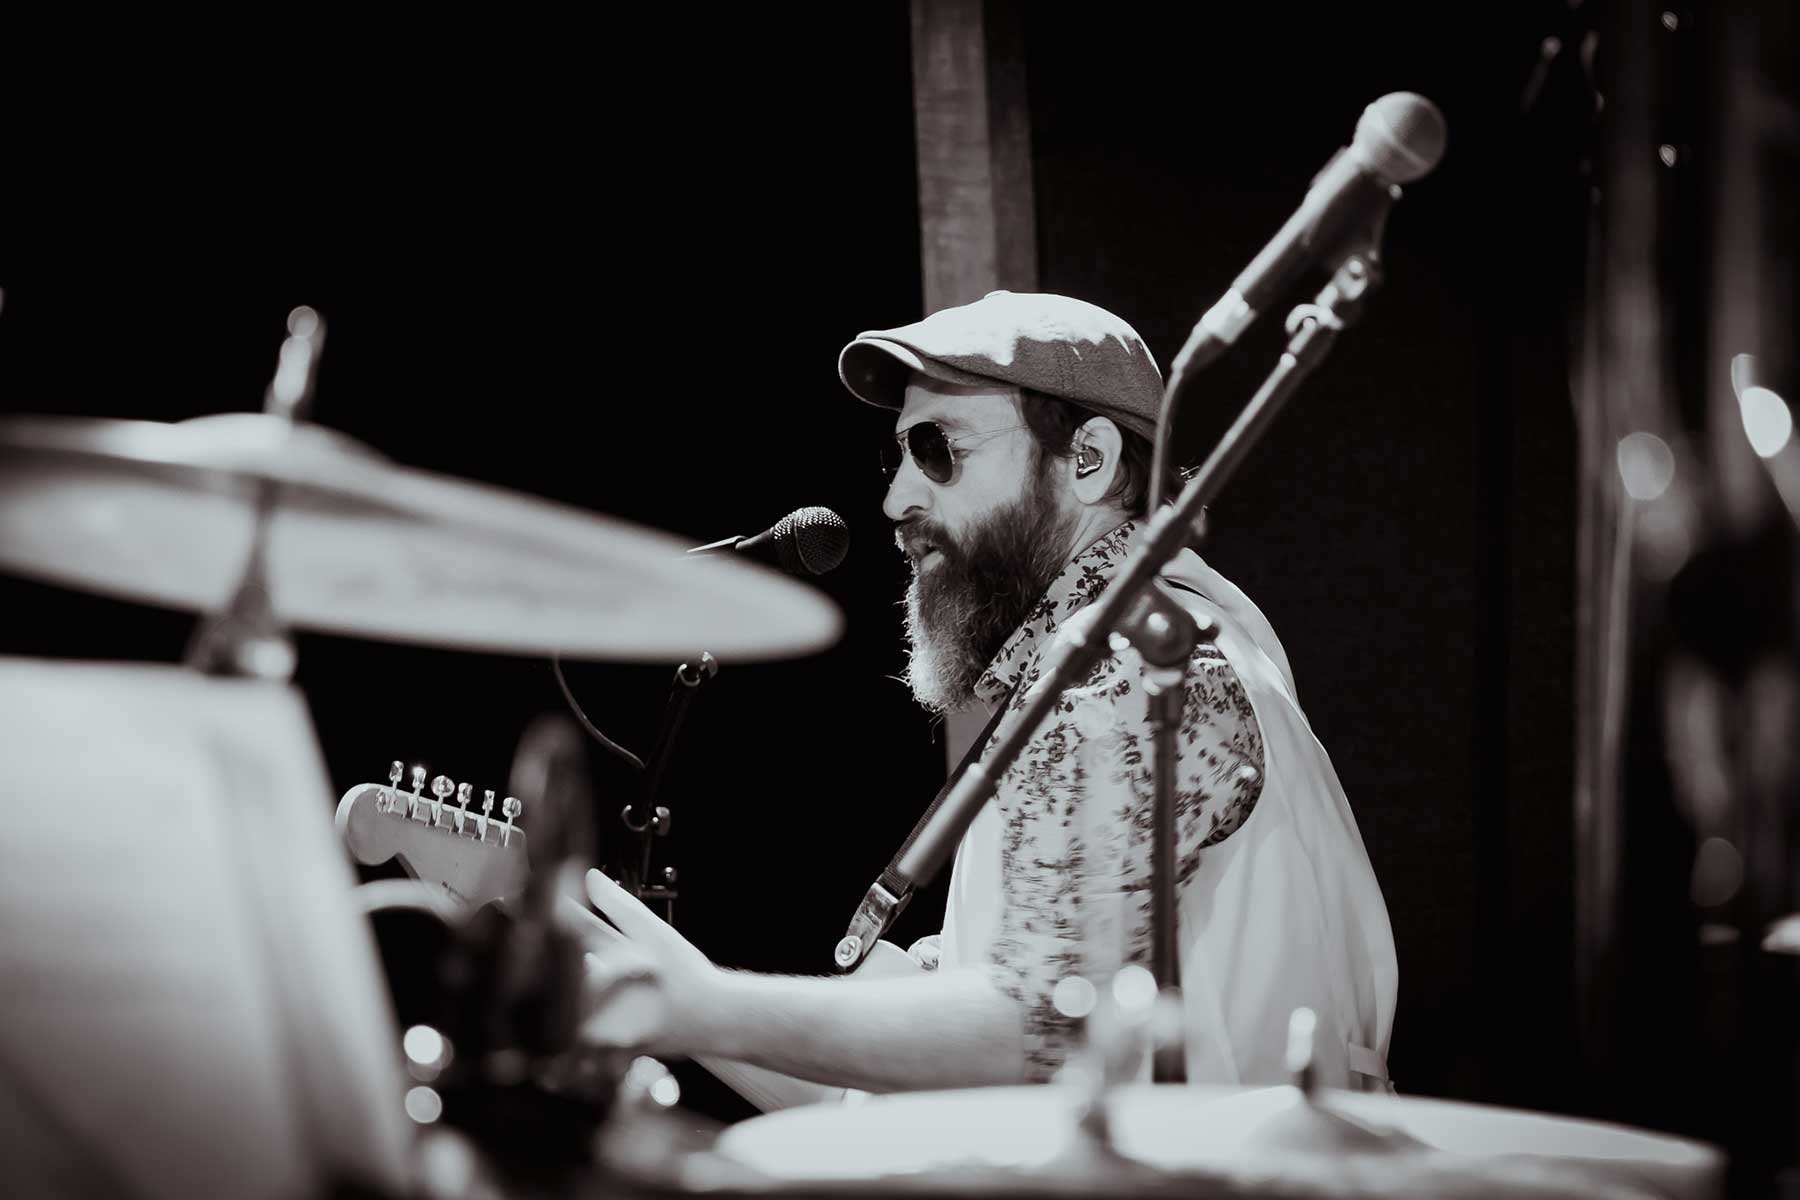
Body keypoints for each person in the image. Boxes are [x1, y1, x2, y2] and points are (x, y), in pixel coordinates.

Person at [570, 291, 1396, 1095]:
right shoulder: (1142, 648)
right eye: (898, 455)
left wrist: (700, 1006)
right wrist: (657, 984)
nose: (895, 498)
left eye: (937, 449)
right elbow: (902, 1095)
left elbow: (1026, 1032)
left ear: (1089, 459)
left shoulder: (1129, 667)